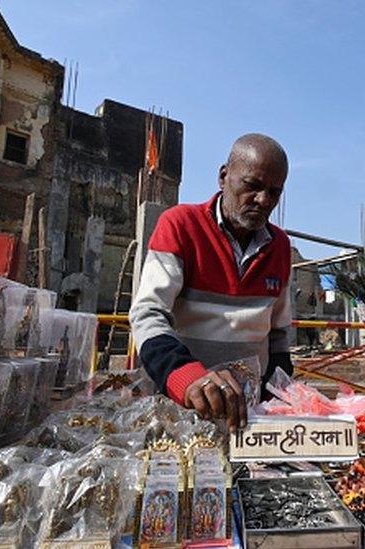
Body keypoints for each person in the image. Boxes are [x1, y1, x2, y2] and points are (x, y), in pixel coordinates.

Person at [129, 133, 293, 433]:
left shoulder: (280, 246)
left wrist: (277, 400)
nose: (263, 200)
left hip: (249, 416)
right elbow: (147, 315)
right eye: (253, 186)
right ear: (223, 176)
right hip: (180, 408)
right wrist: (186, 377)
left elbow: (279, 336)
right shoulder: (180, 225)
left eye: (274, 192)